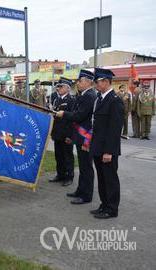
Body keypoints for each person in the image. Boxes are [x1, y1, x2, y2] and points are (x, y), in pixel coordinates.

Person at [56, 70, 96, 204]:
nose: (77, 83)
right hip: (80, 135)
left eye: (80, 81)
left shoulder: (89, 96)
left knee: (86, 167)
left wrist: (64, 114)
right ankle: (80, 190)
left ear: (88, 81)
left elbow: (79, 116)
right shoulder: (83, 95)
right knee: (83, 165)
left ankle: (86, 195)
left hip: (86, 137)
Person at [90, 68, 124, 219]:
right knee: (102, 178)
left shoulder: (115, 101)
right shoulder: (101, 98)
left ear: (106, 81)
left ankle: (112, 209)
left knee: (110, 179)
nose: (96, 84)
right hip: (98, 147)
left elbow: (115, 130)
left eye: (97, 82)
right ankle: (104, 204)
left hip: (107, 149)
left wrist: (109, 151)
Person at [49, 77, 75, 187]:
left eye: (61, 86)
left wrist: (70, 135)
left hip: (66, 134)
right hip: (58, 133)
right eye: (58, 87)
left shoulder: (72, 100)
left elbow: (73, 119)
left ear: (68, 88)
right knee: (58, 156)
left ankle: (69, 177)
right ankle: (60, 174)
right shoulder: (57, 100)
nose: (58, 88)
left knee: (67, 156)